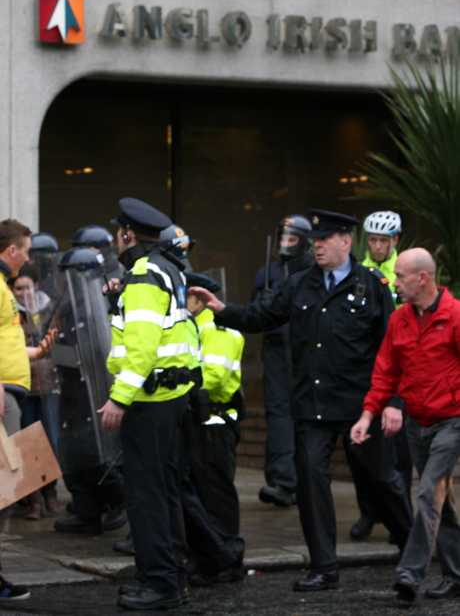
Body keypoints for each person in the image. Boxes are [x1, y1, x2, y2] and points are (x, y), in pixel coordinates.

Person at [189, 209, 413, 592]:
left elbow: (391, 351)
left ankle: (415, 553)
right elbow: (263, 314)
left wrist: (392, 401)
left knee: (383, 482)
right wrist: (223, 310)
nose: (318, 246)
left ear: (346, 241)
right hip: (313, 406)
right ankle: (324, 568)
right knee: (311, 484)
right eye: (315, 241)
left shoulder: (371, 286)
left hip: (361, 406)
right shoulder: (300, 284)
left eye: (325, 240)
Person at [99, 197, 201, 611]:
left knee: (146, 496)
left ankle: (160, 584)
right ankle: (171, 576)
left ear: (127, 234)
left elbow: (141, 348)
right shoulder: (167, 269)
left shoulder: (143, 276)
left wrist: (118, 399)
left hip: (148, 400)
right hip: (171, 397)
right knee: (164, 492)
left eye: (115, 235)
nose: (113, 242)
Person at [351, 248, 460, 603]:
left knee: (428, 493)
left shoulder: (455, 316)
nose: (394, 282)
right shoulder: (400, 319)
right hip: (418, 423)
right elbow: (386, 371)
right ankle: (456, 575)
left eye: (400, 276)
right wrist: (368, 415)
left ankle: (409, 574)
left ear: (423, 278)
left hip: (452, 422)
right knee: (440, 500)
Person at [54, 224, 126, 536]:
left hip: (95, 378)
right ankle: (86, 507)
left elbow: (101, 339)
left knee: (99, 445)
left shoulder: (108, 289)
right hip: (70, 381)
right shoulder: (70, 296)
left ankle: (115, 502)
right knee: (75, 445)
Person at [349, 209, 413, 541]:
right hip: (366, 369)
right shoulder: (358, 273)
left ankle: (397, 514)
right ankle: (368, 512)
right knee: (362, 450)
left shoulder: (406, 272)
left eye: (383, 240)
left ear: (395, 241)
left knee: (397, 448)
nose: (376, 246)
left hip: (399, 368)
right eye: (372, 239)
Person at [0, 219, 54, 603]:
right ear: (12, 251)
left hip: (10, 391)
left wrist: (35, 351)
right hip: (3, 395)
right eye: (26, 250)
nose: (28, 258)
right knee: (4, 486)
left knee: (9, 487)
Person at [185, 271, 245, 583]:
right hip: (202, 421)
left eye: (186, 296)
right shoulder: (196, 326)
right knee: (202, 493)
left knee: (216, 495)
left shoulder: (219, 327)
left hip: (215, 423)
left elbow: (215, 376)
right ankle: (210, 558)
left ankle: (227, 560)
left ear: (198, 298)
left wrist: (182, 388)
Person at [254, 215, 313, 507]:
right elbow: (253, 315)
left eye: (292, 239)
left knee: (304, 416)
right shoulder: (268, 272)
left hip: (305, 350)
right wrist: (261, 304)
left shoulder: (314, 272)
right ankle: (282, 480)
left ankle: (304, 479)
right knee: (278, 414)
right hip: (277, 349)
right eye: (283, 238)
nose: (285, 244)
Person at [11, 264, 61, 519]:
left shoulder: (48, 308)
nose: (22, 293)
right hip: (23, 383)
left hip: (48, 382)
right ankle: (34, 500)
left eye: (26, 287)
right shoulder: (12, 312)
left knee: (50, 438)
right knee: (27, 441)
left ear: (36, 286)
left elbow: (53, 341)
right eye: (17, 288)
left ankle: (50, 491)